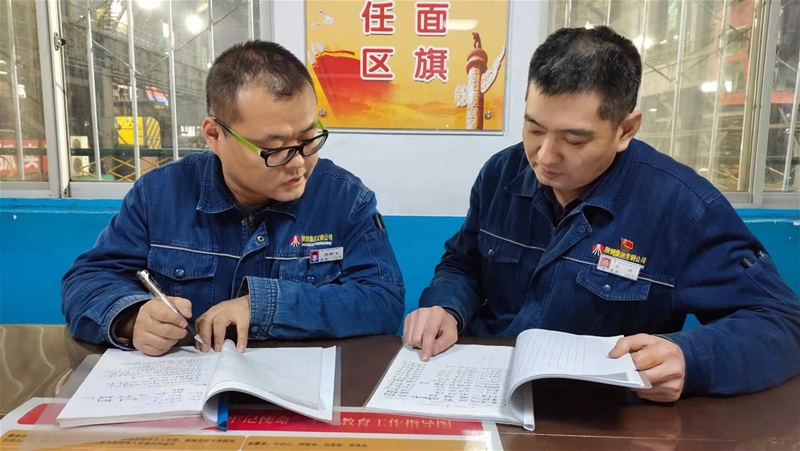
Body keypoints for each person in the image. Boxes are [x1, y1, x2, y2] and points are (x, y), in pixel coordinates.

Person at [403, 26, 800, 402]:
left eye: (574, 139)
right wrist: (447, 307)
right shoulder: (501, 175)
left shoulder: (682, 208)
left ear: (626, 129)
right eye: (535, 129)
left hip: (602, 412)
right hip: (485, 387)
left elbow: (782, 323)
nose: (545, 157)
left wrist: (690, 358)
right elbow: (463, 264)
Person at [62, 41, 405, 356]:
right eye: (274, 148)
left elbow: (382, 300)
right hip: (186, 389)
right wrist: (132, 317)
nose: (299, 163)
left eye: (308, 138)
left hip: (298, 388)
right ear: (214, 134)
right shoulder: (160, 194)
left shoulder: (345, 199)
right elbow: (87, 280)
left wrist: (264, 306)